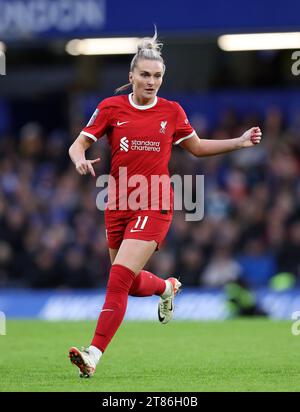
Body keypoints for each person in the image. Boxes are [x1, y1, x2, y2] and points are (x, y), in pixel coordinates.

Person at [68, 29, 262, 378]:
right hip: (117, 203)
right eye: (145, 74)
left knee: (117, 279)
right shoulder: (111, 108)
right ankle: (167, 287)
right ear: (131, 76)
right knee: (130, 280)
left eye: (157, 76)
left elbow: (198, 148)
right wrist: (79, 157)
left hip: (154, 202)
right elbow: (77, 144)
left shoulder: (171, 112)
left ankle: (93, 354)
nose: (151, 81)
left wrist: (240, 141)